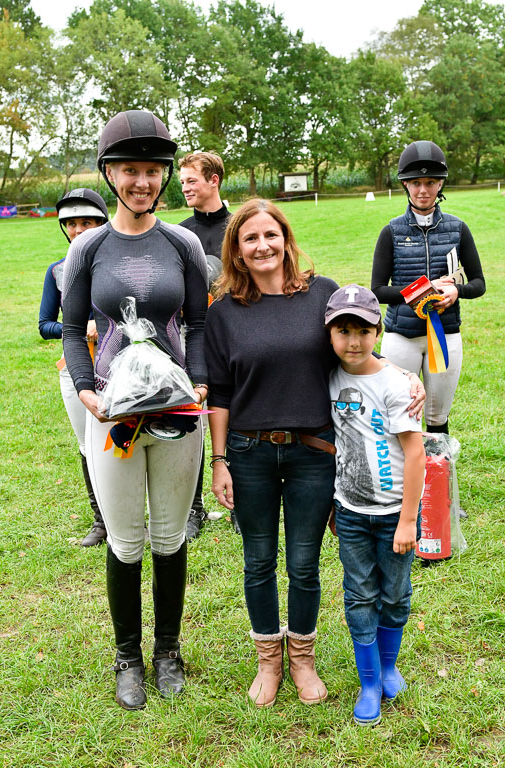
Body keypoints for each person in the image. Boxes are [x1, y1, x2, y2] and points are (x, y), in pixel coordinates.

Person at [205, 199, 425, 709]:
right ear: (236, 249)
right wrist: (218, 461)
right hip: (249, 453)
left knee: (304, 564)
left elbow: (356, 348)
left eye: (271, 235)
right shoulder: (223, 311)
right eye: (250, 238)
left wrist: (403, 376)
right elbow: (220, 393)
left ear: (286, 239)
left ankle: (302, 658)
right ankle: (269, 660)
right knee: (258, 561)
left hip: (313, 453)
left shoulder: (321, 293)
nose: (262, 246)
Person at [62, 110, 209, 710]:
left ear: (164, 175)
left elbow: (199, 323)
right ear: (110, 174)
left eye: (152, 170)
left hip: (176, 411)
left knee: (169, 536)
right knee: (125, 541)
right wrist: (87, 391)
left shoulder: (183, 243)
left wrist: (200, 382)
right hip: (113, 414)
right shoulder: (89, 247)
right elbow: (72, 328)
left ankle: (168, 650)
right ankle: (128, 657)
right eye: (129, 170)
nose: (142, 181)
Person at [325, 284, 425, 726]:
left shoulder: (396, 385)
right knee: (359, 593)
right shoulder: (329, 376)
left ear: (378, 332)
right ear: (329, 335)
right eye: (343, 331)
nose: (353, 341)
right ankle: (368, 683)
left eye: (364, 331)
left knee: (395, 593)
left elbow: (415, 454)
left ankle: (387, 667)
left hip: (394, 515)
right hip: (350, 512)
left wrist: (407, 521)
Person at [371, 140, 486, 435]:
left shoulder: (458, 229)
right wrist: (422, 289)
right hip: (402, 336)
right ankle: (406, 469)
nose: (423, 190)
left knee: (438, 418)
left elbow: (479, 283)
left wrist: (457, 291)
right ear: (405, 185)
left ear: (440, 184)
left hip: (445, 335)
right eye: (416, 183)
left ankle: (438, 467)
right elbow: (378, 291)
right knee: (402, 418)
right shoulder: (391, 231)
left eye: (431, 183)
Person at [38, 188, 108, 546]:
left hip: (119, 368)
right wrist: (77, 328)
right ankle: (101, 520)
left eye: (87, 222)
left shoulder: (118, 262)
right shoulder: (57, 271)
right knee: (87, 445)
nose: (78, 230)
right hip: (75, 367)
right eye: (72, 223)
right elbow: (44, 324)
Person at [178, 151, 237, 539]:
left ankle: (241, 503)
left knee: (239, 418)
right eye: (182, 182)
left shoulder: (239, 226)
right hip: (192, 338)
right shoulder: (179, 233)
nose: (185, 188)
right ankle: (193, 508)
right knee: (193, 420)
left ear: (213, 180)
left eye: (191, 180)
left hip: (235, 335)